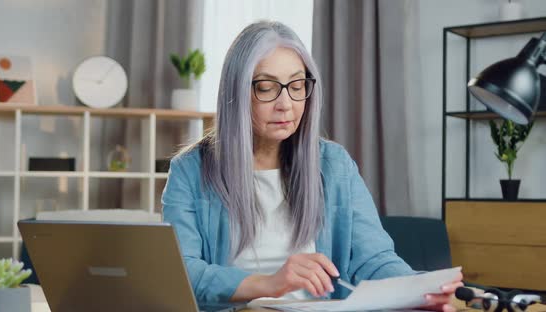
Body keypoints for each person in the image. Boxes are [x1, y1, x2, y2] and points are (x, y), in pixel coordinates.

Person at [161, 21, 462, 311]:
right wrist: (269, 283)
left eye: (297, 84)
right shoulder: (190, 171)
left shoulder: (334, 164)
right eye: (266, 87)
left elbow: (374, 260)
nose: (286, 104)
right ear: (236, 92)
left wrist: (419, 289)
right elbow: (182, 273)